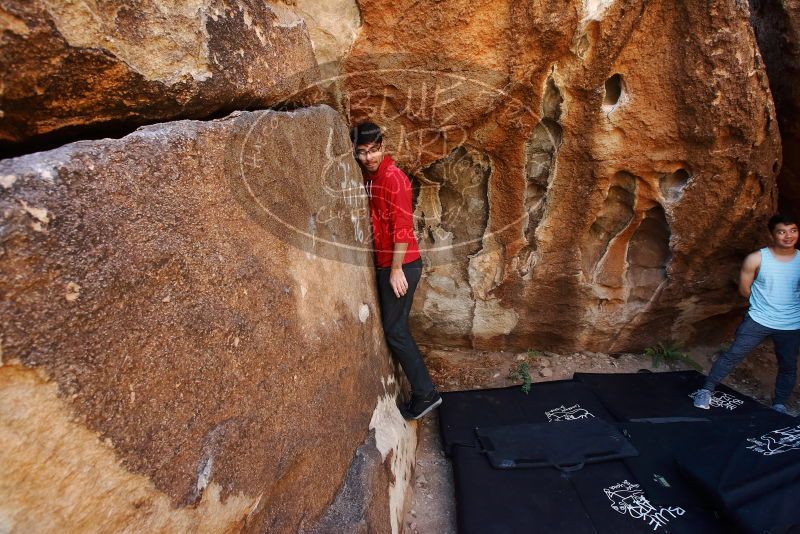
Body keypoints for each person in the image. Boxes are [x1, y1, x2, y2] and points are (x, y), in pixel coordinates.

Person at [351, 122, 442, 420]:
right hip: (387, 263)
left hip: (401, 265)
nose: (369, 157)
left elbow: (402, 230)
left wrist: (395, 269)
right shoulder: (369, 176)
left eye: (374, 150)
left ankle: (425, 394)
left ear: (383, 147)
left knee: (396, 330)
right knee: (396, 327)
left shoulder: (395, 179)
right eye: (362, 152)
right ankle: (423, 392)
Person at [693, 214, 800, 414]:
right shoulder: (757, 258)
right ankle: (706, 390)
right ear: (772, 234)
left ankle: (779, 404)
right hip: (759, 319)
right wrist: (763, 305)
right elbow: (744, 289)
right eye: (782, 232)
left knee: (788, 365)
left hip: (791, 323)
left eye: (793, 230)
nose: (788, 236)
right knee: (733, 354)